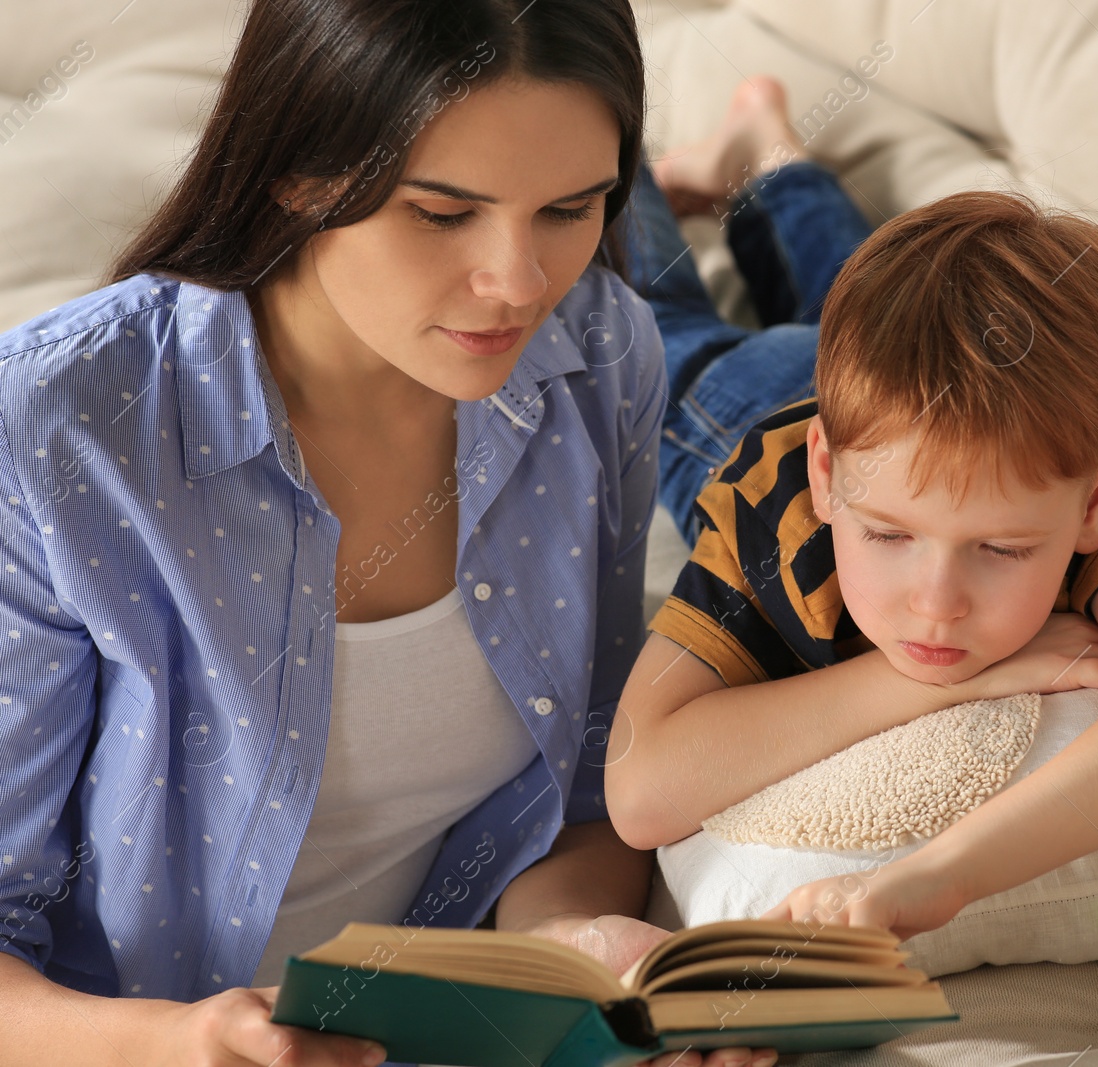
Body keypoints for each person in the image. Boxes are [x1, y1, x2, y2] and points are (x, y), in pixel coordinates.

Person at [0, 3, 768, 1067]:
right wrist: (180, 1041)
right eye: (444, 214)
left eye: (570, 208)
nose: (519, 284)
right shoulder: (54, 432)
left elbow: (582, 783)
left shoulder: (597, 350)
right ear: (298, 170)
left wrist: (574, 961)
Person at [605, 78, 1098, 937]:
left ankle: (762, 144)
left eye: (999, 550)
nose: (936, 600)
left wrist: (944, 875)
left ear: (1095, 504)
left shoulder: (1088, 479)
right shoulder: (773, 502)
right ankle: (722, 159)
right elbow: (638, 786)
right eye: (886, 536)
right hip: (729, 408)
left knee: (845, 284)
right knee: (657, 310)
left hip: (888, 422)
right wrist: (925, 678)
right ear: (826, 477)